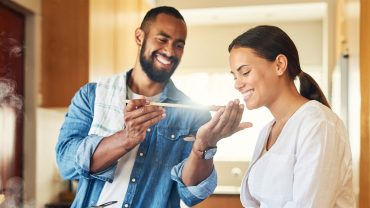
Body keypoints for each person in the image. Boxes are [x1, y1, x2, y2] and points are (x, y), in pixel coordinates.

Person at [56, 6, 251, 208]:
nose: (169, 51)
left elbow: (192, 194)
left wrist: (205, 146)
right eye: (162, 39)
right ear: (140, 37)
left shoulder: (192, 114)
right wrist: (126, 138)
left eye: (179, 45)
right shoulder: (92, 96)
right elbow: (66, 164)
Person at [227, 25, 355, 207]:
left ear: (280, 65)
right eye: (234, 76)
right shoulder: (267, 131)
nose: (237, 84)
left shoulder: (319, 123)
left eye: (245, 72)